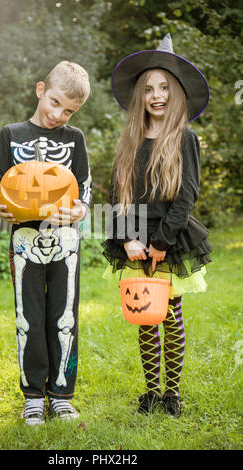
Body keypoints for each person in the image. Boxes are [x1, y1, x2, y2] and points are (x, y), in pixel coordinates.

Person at [102, 34, 212, 417]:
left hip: (171, 236)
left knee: (171, 314)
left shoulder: (184, 138)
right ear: (140, 97)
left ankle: (172, 393)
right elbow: (119, 194)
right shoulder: (131, 140)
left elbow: (187, 195)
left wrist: (162, 242)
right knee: (145, 315)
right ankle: (151, 392)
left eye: (164, 87)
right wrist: (129, 239)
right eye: (148, 89)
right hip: (135, 238)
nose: (156, 95)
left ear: (177, 92)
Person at [0, 61, 92, 425]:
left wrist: (79, 212)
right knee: (28, 316)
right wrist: (1, 207)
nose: (58, 114)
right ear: (40, 90)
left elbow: (85, 190)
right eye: (54, 103)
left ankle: (62, 393)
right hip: (24, 241)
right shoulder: (10, 134)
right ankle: (33, 394)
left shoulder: (75, 138)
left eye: (68, 111)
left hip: (66, 243)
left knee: (64, 316)